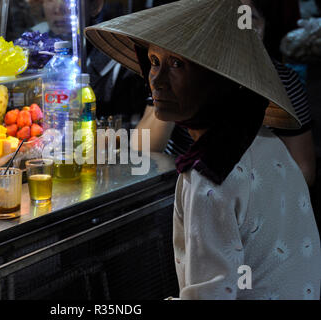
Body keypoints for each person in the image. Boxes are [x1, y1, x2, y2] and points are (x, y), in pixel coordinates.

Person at [85, 0, 321, 300]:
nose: (155, 80)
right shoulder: (264, 142)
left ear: (217, 79)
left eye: (177, 64)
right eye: (154, 61)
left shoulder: (210, 175)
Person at [134, 0, 317, 189]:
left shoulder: (282, 81)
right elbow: (143, 150)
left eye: (247, 17)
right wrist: (176, 96)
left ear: (264, 26)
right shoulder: (178, 71)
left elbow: (304, 170)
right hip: (176, 186)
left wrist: (249, 196)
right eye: (225, 18)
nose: (239, 25)